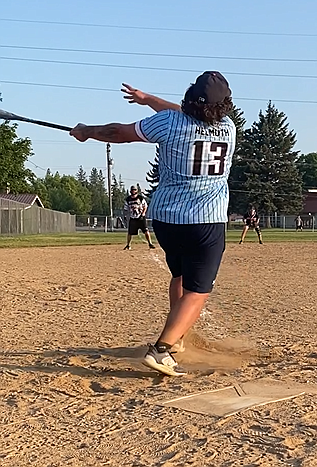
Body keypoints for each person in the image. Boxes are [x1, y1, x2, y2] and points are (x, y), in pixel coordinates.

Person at [70, 71, 236, 376]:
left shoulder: (169, 123)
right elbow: (187, 114)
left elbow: (119, 132)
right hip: (206, 219)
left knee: (181, 277)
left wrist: (87, 131)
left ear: (189, 97)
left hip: (166, 219)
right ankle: (162, 350)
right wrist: (148, 101)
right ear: (223, 106)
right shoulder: (228, 128)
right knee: (198, 291)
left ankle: (177, 340)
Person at [123, 185, 155, 250]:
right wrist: (125, 215)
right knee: (130, 232)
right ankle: (128, 245)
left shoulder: (140, 198)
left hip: (140, 217)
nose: (133, 191)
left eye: (134, 190)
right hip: (133, 217)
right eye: (132, 190)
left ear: (136, 191)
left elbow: (145, 206)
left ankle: (150, 243)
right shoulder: (128, 199)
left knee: (146, 230)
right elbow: (125, 208)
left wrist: (143, 213)